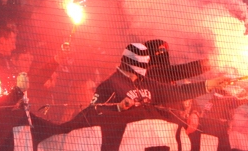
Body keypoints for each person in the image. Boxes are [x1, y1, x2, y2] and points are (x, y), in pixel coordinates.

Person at [91, 43, 231, 112]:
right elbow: (91, 112)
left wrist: (209, 84)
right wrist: (119, 108)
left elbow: (177, 92)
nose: (137, 76)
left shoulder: (147, 83)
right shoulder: (107, 86)